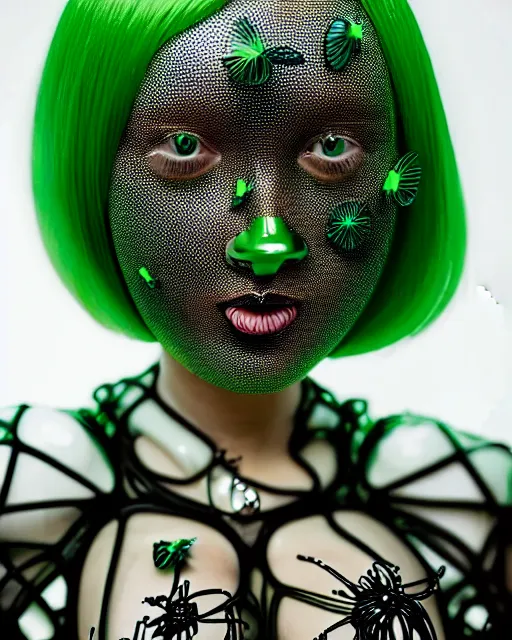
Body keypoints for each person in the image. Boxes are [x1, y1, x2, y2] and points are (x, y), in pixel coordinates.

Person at [1, 0, 510, 638]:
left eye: (331, 148)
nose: (267, 242)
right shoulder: (28, 485)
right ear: (95, 173)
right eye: (185, 147)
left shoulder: (462, 489)